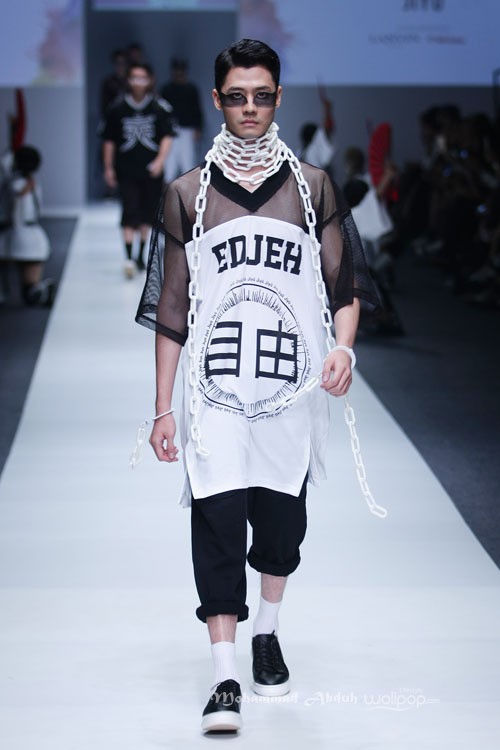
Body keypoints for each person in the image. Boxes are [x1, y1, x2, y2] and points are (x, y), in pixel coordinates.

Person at [135, 39, 379, 734]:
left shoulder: (313, 187)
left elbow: (343, 286)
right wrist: (161, 408)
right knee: (214, 523)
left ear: (277, 98)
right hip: (213, 392)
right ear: (217, 100)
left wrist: (344, 347)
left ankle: (267, 630)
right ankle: (224, 675)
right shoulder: (188, 194)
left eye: (262, 96)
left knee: (281, 527)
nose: (250, 108)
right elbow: (172, 309)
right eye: (237, 96)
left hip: (289, 392)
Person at [101, 62, 175, 278]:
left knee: (147, 213)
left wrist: (160, 161)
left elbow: (167, 136)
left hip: (151, 170)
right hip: (125, 169)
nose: (138, 82)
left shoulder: (159, 107)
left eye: (143, 78)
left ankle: (141, 255)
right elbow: (109, 140)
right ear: (128, 80)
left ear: (150, 80)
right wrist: (108, 167)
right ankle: (128, 257)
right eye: (134, 77)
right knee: (129, 211)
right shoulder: (117, 108)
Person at [0, 145, 55, 307]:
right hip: (34, 238)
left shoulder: (13, 184)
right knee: (29, 289)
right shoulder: (33, 184)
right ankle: (40, 291)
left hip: (15, 235)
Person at [160, 57, 204, 182]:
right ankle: (168, 192)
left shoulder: (191, 89)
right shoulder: (166, 90)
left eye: (181, 70)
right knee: (169, 165)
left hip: (187, 131)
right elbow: (162, 113)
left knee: (188, 164)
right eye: (177, 70)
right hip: (170, 132)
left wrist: (198, 128)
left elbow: (197, 110)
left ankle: (188, 192)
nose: (179, 73)